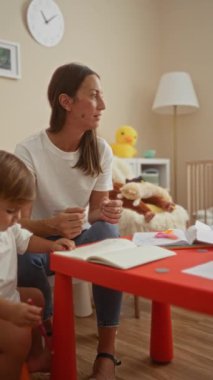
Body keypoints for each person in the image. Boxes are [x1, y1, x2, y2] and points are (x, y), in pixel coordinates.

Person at [15, 62, 123, 380]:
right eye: (93, 96)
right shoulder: (29, 150)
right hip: (43, 242)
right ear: (66, 102)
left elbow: (94, 215)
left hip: (82, 240)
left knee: (109, 234)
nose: (102, 105)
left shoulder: (101, 150)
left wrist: (105, 213)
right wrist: (52, 226)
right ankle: (51, 346)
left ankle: (107, 354)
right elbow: (18, 223)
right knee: (24, 258)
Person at [0, 150, 75, 380]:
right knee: (18, 337)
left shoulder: (9, 227)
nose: (17, 218)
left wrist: (51, 246)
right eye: (11, 210)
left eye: (20, 210)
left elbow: (26, 239)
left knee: (37, 297)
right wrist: (10, 311)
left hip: (7, 297)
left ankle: (35, 358)